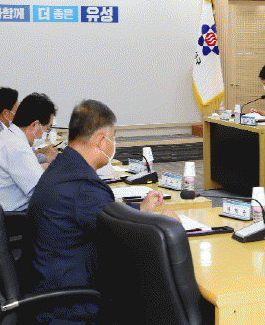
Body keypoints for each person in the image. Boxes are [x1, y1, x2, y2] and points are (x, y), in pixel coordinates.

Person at [25, 99, 178, 294]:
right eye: (113, 137)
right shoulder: (84, 186)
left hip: (50, 280)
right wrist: (165, 226)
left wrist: (141, 209)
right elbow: (126, 243)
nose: (113, 144)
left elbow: (103, 214)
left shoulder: (64, 166)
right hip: (72, 297)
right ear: (100, 140)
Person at [0, 93, 57, 212]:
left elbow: (25, 170)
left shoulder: (6, 136)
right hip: (11, 217)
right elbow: (42, 194)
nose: (46, 133)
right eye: (47, 128)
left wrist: (48, 167)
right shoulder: (17, 147)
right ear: (35, 125)